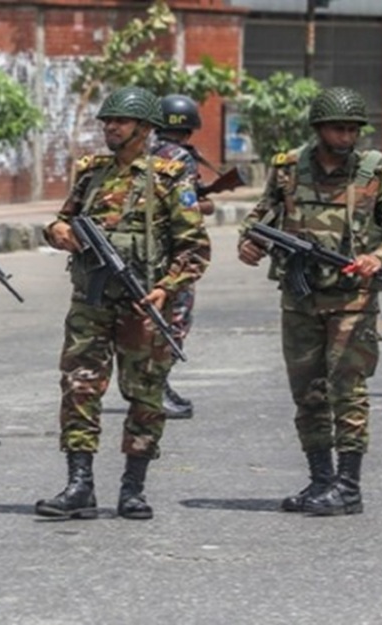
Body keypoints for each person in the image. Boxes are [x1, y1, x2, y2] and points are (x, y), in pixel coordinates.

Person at [237, 86, 382, 516]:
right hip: (300, 301)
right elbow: (259, 219)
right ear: (319, 129)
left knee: (348, 392)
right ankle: (321, 482)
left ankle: (349, 487)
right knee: (308, 393)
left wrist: (378, 257)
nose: (347, 136)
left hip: (352, 301)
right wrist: (250, 243)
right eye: (339, 128)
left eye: (354, 129)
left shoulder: (376, 172)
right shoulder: (287, 170)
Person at [34, 86, 211, 521]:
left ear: (145, 129)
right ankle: (79, 486)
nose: (110, 128)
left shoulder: (169, 178)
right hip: (90, 305)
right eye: (107, 121)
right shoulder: (92, 173)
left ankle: (133, 487)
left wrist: (165, 289)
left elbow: (195, 249)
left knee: (145, 396)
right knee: (79, 390)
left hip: (142, 305)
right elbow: (63, 218)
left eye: (120, 122)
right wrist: (56, 232)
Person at [150, 93, 216, 420]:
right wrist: (208, 204)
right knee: (175, 321)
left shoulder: (145, 153)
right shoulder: (183, 159)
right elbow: (187, 205)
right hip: (176, 252)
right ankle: (155, 387)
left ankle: (154, 386)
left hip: (147, 251)